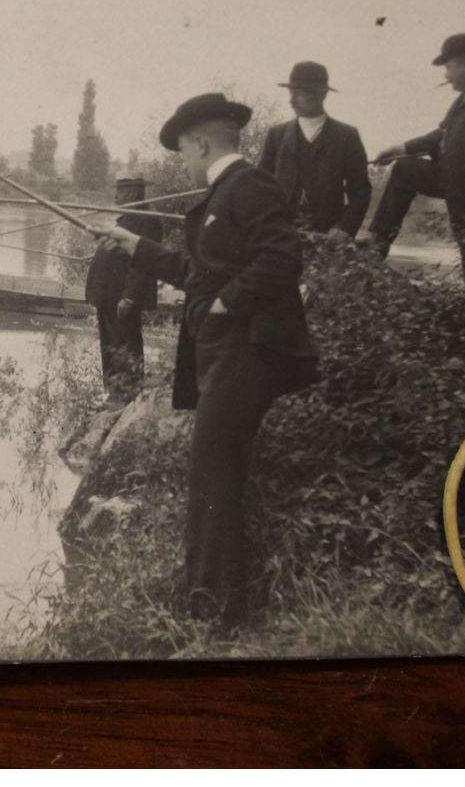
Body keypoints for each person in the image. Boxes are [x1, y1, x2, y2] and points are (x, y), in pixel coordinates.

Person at [95, 94, 317, 626]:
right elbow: (199, 271)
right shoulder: (224, 194)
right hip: (227, 355)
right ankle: (213, 602)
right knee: (212, 472)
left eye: (185, 152)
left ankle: (211, 610)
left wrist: (226, 303)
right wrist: (134, 247)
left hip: (249, 351)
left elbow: (283, 257)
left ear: (201, 141)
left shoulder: (248, 185)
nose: (184, 163)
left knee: (211, 474)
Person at [365, 33, 465, 302]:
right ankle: (376, 246)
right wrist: (399, 150)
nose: (446, 75)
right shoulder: (463, 100)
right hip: (452, 178)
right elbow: (439, 136)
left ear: (464, 65)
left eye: (448, 67)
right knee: (404, 171)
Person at [258, 61, 371, 240]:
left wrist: (343, 228)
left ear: (321, 95)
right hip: (280, 237)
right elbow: (261, 188)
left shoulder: (346, 136)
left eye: (299, 93)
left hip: (327, 239)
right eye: (290, 92)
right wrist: (269, 225)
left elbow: (360, 192)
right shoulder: (276, 135)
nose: (291, 101)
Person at [83, 175, 163, 401]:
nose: (117, 197)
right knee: (109, 345)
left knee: (125, 344)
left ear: (135, 193)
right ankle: (113, 394)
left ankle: (128, 395)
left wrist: (129, 297)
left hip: (121, 297)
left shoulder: (147, 221)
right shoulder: (130, 218)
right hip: (108, 295)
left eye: (122, 192)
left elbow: (142, 263)